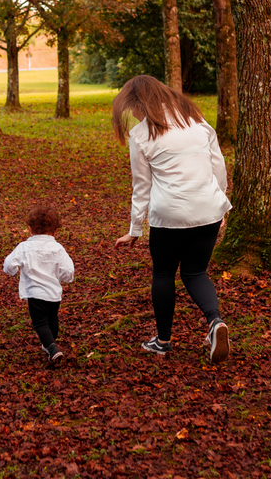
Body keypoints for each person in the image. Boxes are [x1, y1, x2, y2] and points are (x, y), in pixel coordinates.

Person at [112, 75, 232, 363]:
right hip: (207, 210)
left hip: (168, 216)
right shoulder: (198, 122)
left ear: (141, 103)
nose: (134, 115)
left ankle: (163, 340)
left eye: (133, 108)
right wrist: (221, 206)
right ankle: (215, 321)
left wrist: (134, 230)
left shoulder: (141, 135)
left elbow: (142, 187)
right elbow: (218, 167)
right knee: (196, 273)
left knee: (164, 274)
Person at [3, 205, 76, 366]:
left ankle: (52, 349)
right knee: (52, 319)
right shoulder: (58, 248)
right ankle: (50, 345)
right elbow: (68, 271)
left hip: (35, 294)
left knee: (40, 323)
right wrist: (64, 277)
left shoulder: (24, 247)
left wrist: (13, 271)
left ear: (30, 228)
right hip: (53, 294)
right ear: (55, 231)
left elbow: (8, 265)